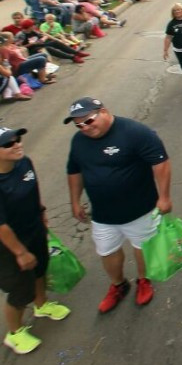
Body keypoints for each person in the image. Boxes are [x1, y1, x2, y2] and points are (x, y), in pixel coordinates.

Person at [65, 97, 172, 313]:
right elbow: (74, 171)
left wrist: (164, 197)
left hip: (140, 210)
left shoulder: (135, 132)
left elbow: (160, 163)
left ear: (103, 111)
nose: (84, 128)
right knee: (107, 252)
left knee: (142, 247)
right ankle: (118, 285)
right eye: (78, 125)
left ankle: (143, 280)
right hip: (103, 215)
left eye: (88, 121)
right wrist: (75, 201)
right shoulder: (78, 141)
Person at [0, 127, 71, 353]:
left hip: (33, 230)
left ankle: (41, 304)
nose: (17, 144)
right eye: (8, 144)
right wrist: (20, 252)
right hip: (4, 245)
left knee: (40, 270)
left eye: (17, 139)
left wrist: (42, 213)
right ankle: (15, 333)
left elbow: (33, 192)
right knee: (19, 290)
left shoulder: (24, 162)